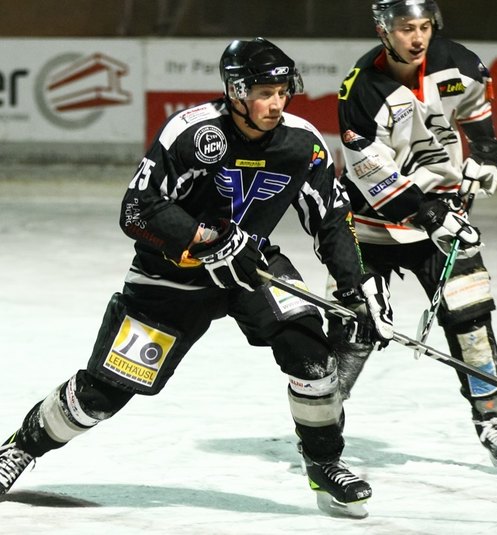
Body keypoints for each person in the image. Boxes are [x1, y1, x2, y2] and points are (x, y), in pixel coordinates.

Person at [0, 38, 394, 518]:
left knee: (311, 355)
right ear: (234, 91)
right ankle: (21, 447)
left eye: (283, 91)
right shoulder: (191, 134)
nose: (276, 103)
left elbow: (331, 220)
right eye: (264, 92)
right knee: (101, 394)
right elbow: (136, 209)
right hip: (170, 276)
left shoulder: (301, 143)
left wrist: (357, 287)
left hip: (252, 268)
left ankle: (325, 462)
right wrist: (207, 239)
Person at [330, 0, 497, 473]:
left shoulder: (460, 65)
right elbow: (374, 177)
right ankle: (321, 422)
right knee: (358, 325)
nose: (417, 39)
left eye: (423, 27)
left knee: (471, 319)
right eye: (405, 29)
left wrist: (489, 161)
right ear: (382, 30)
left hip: (444, 220)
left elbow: (481, 123)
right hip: (372, 225)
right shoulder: (360, 90)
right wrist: (430, 214)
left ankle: (490, 417)